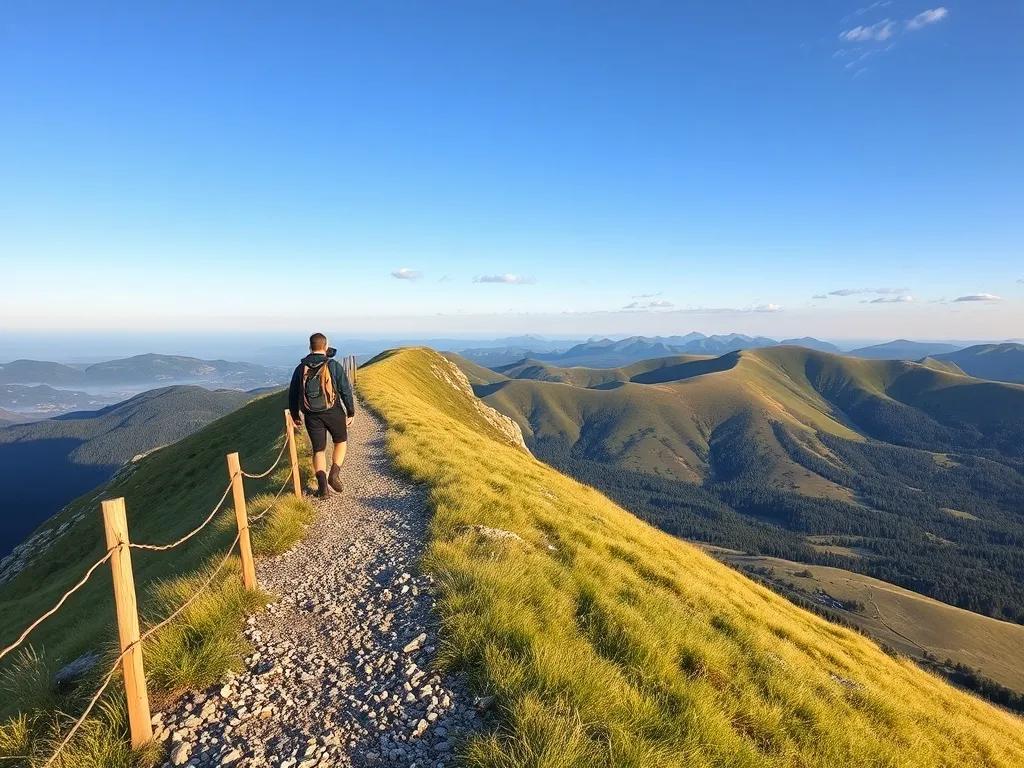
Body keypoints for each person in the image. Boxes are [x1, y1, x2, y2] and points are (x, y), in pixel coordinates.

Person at [288, 333, 355, 496]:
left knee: (318, 449)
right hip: (334, 411)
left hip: (311, 414)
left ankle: (323, 487)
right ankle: (334, 473)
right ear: (325, 346)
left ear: (310, 347)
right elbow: (345, 390)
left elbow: (293, 394)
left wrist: (295, 415)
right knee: (341, 441)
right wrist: (350, 411)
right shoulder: (333, 365)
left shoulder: (301, 368)